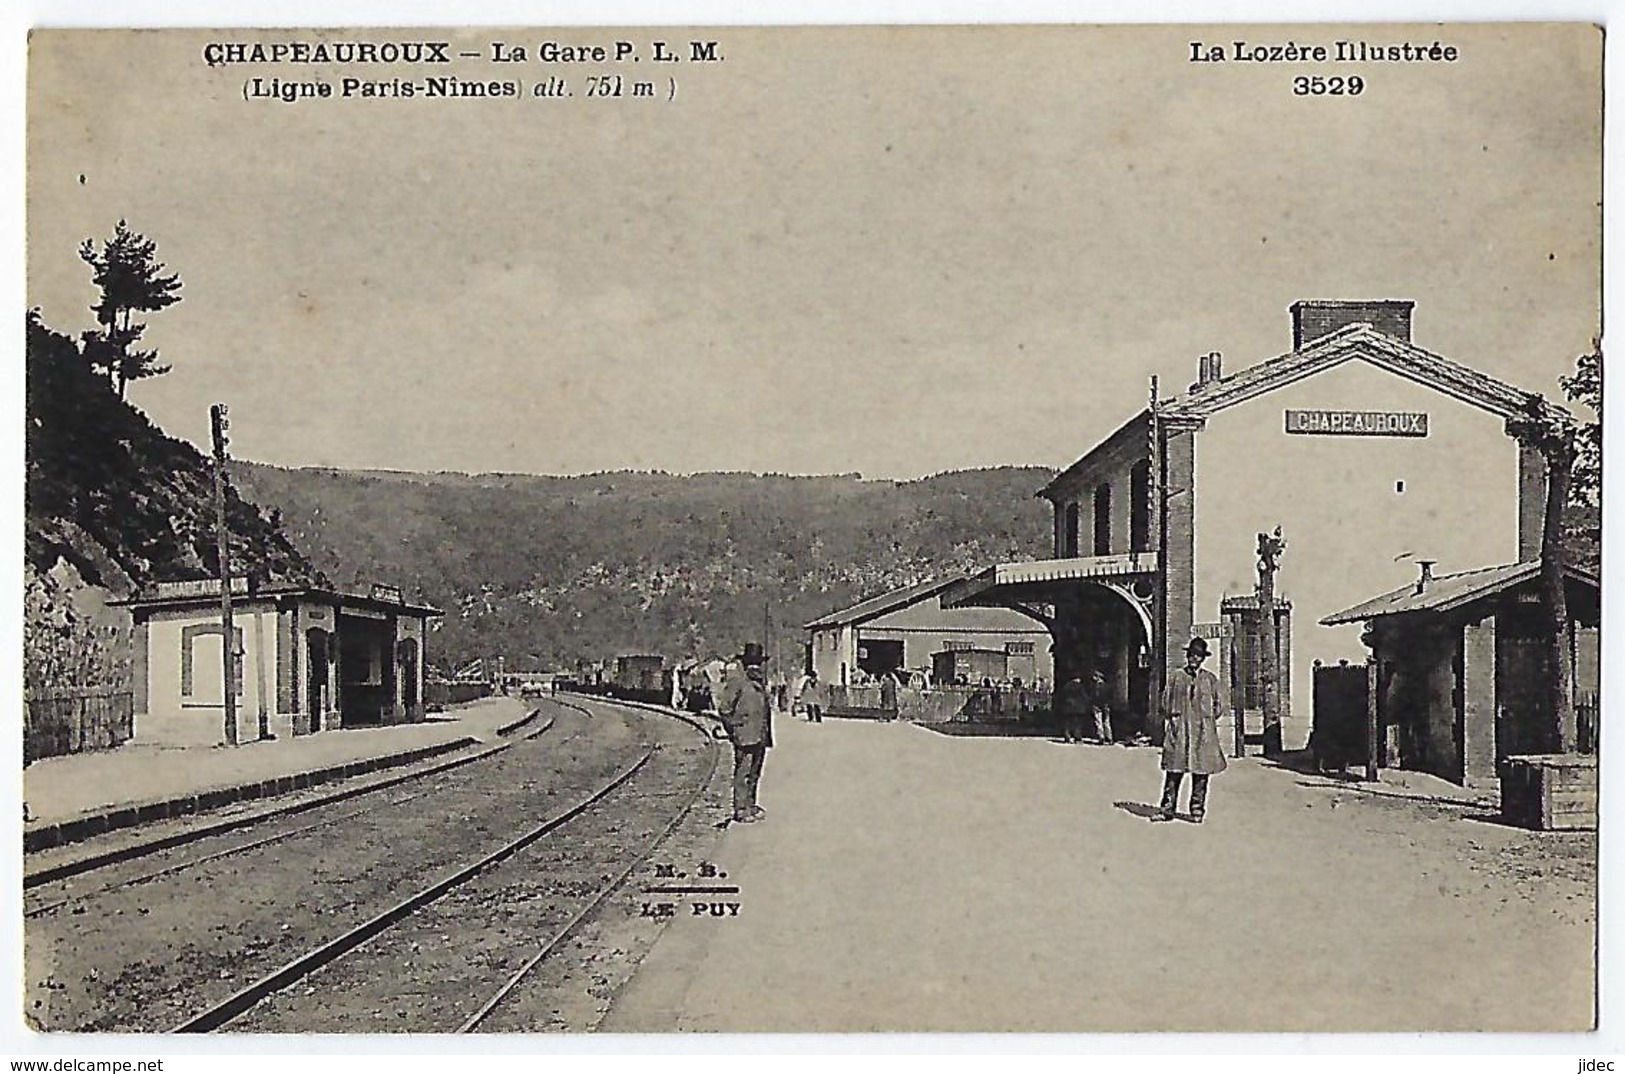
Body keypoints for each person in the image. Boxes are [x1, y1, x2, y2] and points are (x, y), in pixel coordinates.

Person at [1155, 637, 1227, 823]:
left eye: (1198, 656)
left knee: (1201, 772)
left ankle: (1197, 810)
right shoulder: (1176, 677)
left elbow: (1218, 707)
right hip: (1180, 731)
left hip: (1202, 733)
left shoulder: (1210, 680)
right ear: (1187, 656)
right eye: (1192, 655)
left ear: (1203, 658)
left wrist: (1206, 720)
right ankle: (1167, 809)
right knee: (1174, 771)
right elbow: (1165, 702)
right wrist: (1176, 720)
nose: (1194, 658)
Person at [719, 642, 773, 824]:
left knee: (755, 772)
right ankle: (740, 808)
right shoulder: (737, 682)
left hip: (760, 735)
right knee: (743, 773)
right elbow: (724, 709)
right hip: (744, 735)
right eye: (751, 663)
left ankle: (750, 804)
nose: (755, 667)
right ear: (745, 664)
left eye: (757, 663)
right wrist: (734, 731)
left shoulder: (760, 683)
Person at [1056, 676, 1088, 743]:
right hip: (1079, 708)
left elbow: (1062, 696)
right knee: (1078, 724)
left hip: (1068, 707)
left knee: (1068, 723)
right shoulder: (1080, 687)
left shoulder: (1067, 686)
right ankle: (1077, 737)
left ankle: (1068, 737)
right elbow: (1084, 697)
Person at [1090, 667, 1114, 744]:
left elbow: (1095, 696)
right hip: (1106, 705)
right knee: (1107, 722)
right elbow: (1111, 696)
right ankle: (1109, 738)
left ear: (1097, 677)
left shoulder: (1096, 686)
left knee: (1098, 721)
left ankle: (1101, 737)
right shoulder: (1107, 686)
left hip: (1097, 705)